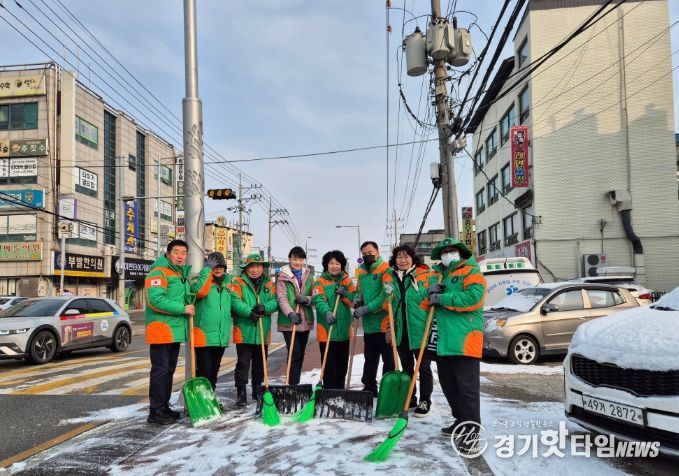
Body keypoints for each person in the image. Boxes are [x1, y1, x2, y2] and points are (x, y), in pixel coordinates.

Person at [425, 237, 487, 455]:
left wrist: (441, 297)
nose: (447, 254)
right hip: (443, 341)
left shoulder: (472, 272)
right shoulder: (438, 274)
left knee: (467, 391)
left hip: (464, 340)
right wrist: (428, 293)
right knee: (449, 387)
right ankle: (460, 421)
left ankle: (471, 435)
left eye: (451, 251)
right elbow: (426, 304)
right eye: (444, 252)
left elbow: (474, 299)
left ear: (461, 253)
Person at [144, 239, 212, 425]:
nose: (180, 256)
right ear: (168, 253)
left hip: (173, 332)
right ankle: (155, 411)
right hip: (161, 330)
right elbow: (155, 300)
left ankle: (163, 407)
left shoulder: (180, 275)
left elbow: (194, 293)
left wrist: (206, 270)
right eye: (176, 252)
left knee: (168, 371)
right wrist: (183, 309)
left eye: (183, 253)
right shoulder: (158, 272)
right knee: (160, 371)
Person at [382, 244, 433, 416]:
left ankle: (425, 401)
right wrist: (387, 295)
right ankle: (410, 397)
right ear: (394, 260)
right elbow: (387, 304)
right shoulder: (391, 276)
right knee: (407, 367)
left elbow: (426, 298)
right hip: (401, 330)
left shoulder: (424, 275)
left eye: (406, 257)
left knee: (423, 367)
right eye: (399, 257)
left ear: (412, 258)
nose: (402, 260)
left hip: (419, 329)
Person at [229, 253, 278, 407]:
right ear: (246, 268)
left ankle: (258, 390)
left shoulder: (269, 284)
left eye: (258, 267)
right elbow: (235, 301)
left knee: (260, 364)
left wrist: (265, 307)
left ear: (262, 268)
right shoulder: (238, 282)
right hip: (244, 331)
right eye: (252, 267)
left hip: (263, 331)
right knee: (243, 364)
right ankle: (241, 392)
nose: (255, 270)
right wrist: (249, 312)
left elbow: (275, 301)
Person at [352, 241, 394, 396]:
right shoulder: (362, 271)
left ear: (377, 251)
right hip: (369, 325)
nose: (367, 255)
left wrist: (368, 308)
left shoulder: (386, 269)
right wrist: (357, 299)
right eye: (364, 254)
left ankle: (388, 388)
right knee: (370, 358)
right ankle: (369, 387)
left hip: (384, 324)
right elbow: (359, 290)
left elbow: (387, 295)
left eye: (370, 252)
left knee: (388, 360)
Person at [312, 250, 357, 389]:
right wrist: (327, 313)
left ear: (342, 265)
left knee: (342, 364)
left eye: (337, 263)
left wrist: (345, 294)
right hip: (327, 330)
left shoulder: (347, 281)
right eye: (331, 263)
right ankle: (329, 391)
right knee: (329, 364)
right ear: (326, 265)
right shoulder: (319, 282)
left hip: (343, 330)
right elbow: (318, 300)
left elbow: (354, 301)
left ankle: (340, 391)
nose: (334, 266)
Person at [194, 251, 234, 392]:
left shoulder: (229, 284)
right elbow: (198, 292)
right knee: (204, 369)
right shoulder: (201, 281)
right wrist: (206, 270)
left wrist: (250, 311)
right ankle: (202, 397)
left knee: (214, 368)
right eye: (214, 266)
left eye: (221, 267)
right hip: (203, 335)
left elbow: (235, 304)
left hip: (221, 336)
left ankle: (211, 395)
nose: (217, 269)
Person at [276, 246, 314, 386]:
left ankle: (295, 383)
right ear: (289, 259)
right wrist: (290, 313)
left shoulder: (309, 276)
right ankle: (291, 384)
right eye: (295, 259)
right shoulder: (282, 277)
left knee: (300, 353)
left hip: (305, 320)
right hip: (289, 321)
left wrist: (307, 299)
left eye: (301, 259)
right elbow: (282, 298)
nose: (298, 262)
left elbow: (316, 296)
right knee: (294, 353)